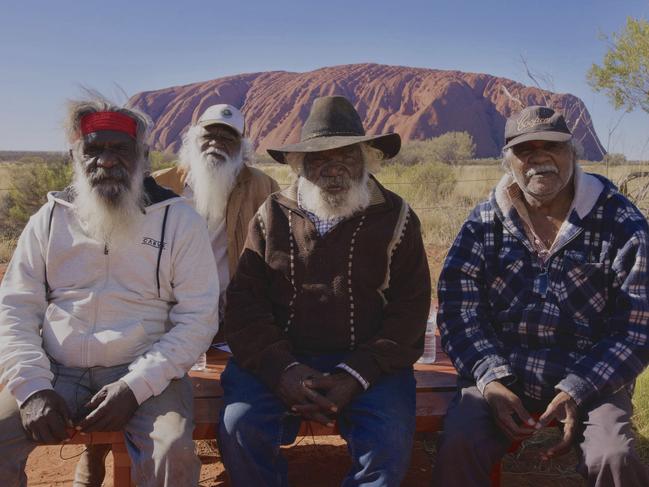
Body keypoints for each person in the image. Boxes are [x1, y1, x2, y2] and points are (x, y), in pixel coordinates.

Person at [0, 97, 220, 487]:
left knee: (173, 454)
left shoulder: (179, 220)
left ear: (143, 155)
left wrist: (135, 387)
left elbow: (199, 318)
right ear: (75, 155)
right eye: (94, 149)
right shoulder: (50, 219)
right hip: (56, 368)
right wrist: (33, 388)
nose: (105, 160)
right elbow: (15, 308)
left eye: (119, 148)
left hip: (147, 369)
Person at [218, 95, 431, 487]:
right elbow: (245, 307)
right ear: (300, 165)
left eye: (347, 155)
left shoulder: (397, 216)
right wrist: (284, 369)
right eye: (318, 157)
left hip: (370, 362)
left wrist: (356, 374)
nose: (333, 167)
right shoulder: (272, 214)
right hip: (282, 358)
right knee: (239, 426)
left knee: (389, 443)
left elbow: (410, 311)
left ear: (366, 158)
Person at [433, 105, 649, 486]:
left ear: (573, 153)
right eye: (524, 150)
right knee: (459, 442)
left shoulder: (621, 223)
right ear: (509, 162)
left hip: (592, 379)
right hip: (503, 374)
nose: (538, 159)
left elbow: (636, 329)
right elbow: (458, 310)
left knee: (613, 456)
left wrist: (577, 389)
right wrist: (491, 379)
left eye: (551, 146)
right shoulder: (484, 222)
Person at [74, 104, 280, 486]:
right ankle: (96, 448)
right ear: (192, 139)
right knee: (118, 367)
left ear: (242, 146)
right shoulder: (156, 184)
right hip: (158, 314)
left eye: (228, 137)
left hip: (230, 314)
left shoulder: (262, 187)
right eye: (210, 134)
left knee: (228, 388)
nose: (217, 143)